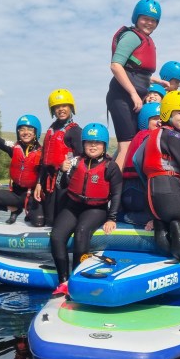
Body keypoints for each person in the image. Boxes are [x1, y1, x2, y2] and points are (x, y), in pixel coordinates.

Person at [49, 123, 122, 295]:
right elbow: (61, 185)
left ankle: (77, 279)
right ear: (83, 144)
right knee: (56, 236)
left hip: (96, 209)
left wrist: (112, 218)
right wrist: (61, 171)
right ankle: (63, 281)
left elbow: (117, 194)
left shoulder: (111, 166)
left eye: (97, 142)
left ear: (104, 145)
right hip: (73, 206)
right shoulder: (74, 162)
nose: (93, 146)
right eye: (89, 142)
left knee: (82, 231)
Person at [142, 90, 180, 262]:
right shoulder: (173, 136)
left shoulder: (153, 135)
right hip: (170, 196)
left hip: (153, 203)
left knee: (165, 244)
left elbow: (139, 162)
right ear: (167, 113)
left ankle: (162, 230)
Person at [106, 0, 162, 171]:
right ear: (136, 18)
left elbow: (136, 72)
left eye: (153, 20)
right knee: (126, 145)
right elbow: (116, 66)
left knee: (136, 140)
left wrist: (156, 81)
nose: (149, 23)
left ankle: (122, 180)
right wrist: (133, 93)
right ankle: (113, 192)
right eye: (145, 18)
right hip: (121, 97)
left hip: (134, 96)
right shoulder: (132, 36)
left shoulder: (145, 40)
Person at [0, 109, 44, 225]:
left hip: (32, 196)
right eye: (22, 129)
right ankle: (14, 209)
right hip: (15, 195)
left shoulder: (43, 153)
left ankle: (30, 213)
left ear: (36, 132)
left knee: (39, 223)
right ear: (18, 132)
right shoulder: (13, 147)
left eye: (29, 129)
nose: (25, 132)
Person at [33, 89, 83, 227]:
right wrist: (38, 183)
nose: (61, 109)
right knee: (46, 222)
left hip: (66, 184)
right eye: (57, 107)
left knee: (59, 221)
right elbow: (44, 160)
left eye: (64, 106)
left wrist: (67, 167)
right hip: (49, 184)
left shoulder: (76, 131)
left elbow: (82, 160)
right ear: (52, 110)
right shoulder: (51, 130)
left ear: (71, 107)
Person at [117, 102, 161, 230]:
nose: (159, 122)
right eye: (155, 119)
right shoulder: (150, 136)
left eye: (161, 119)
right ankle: (124, 217)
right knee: (161, 217)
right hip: (136, 192)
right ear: (144, 121)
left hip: (130, 192)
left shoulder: (140, 136)